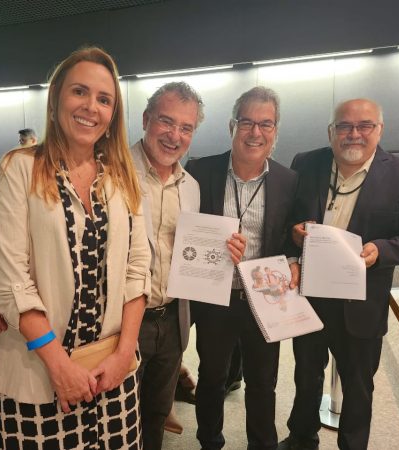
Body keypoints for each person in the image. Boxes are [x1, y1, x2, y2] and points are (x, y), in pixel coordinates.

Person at [0, 47, 151, 450]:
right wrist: (60, 366)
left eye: (104, 99)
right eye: (80, 91)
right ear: (56, 97)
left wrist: (124, 354)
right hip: (40, 376)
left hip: (112, 375)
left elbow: (138, 270)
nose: (91, 106)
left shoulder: (122, 178)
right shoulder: (19, 168)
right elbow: (10, 282)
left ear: (113, 113)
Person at [278, 98, 399, 450]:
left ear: (380, 130)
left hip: (363, 303)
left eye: (364, 125)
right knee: (305, 376)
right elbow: (288, 217)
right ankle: (301, 439)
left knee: (359, 386)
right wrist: (294, 235)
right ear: (330, 131)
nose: (354, 134)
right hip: (311, 295)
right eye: (344, 126)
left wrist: (382, 250)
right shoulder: (306, 163)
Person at [129, 81, 247, 448]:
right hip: (123, 321)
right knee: (117, 417)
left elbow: (190, 252)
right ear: (146, 119)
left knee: (155, 414)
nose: (174, 135)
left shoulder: (191, 187)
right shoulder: (114, 173)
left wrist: (225, 251)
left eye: (186, 127)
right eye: (166, 121)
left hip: (172, 320)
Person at [186, 86, 299, 450]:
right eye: (247, 122)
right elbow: (183, 231)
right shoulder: (199, 171)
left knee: (263, 381)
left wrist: (294, 257)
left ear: (275, 130)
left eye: (266, 124)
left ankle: (262, 444)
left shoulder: (288, 180)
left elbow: (289, 235)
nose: (256, 132)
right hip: (215, 295)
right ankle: (209, 441)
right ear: (232, 125)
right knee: (211, 376)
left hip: (265, 297)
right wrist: (210, 245)